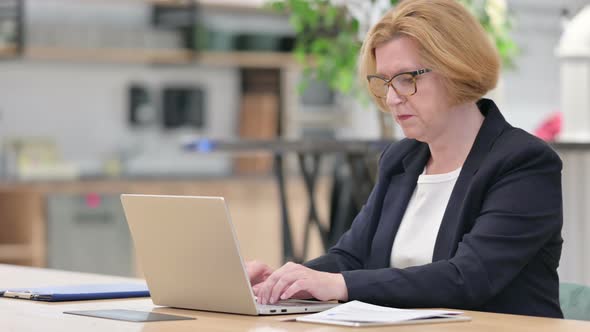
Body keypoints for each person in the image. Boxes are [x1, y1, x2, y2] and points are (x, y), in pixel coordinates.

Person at [248, 0, 563, 318]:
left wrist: (339, 284)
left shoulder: (524, 163)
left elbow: (468, 278)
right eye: (384, 81)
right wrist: (281, 284)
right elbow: (351, 258)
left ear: (457, 68)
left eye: (406, 78)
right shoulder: (401, 160)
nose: (392, 98)